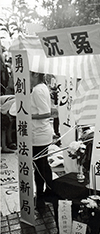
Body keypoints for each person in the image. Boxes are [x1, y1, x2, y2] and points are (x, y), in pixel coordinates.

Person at [30, 71, 54, 210]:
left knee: (38, 168)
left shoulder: (38, 90)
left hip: (39, 135)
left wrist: (28, 116)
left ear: (34, 75)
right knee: (44, 165)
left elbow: (46, 113)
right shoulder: (41, 87)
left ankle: (40, 200)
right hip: (42, 134)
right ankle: (50, 192)